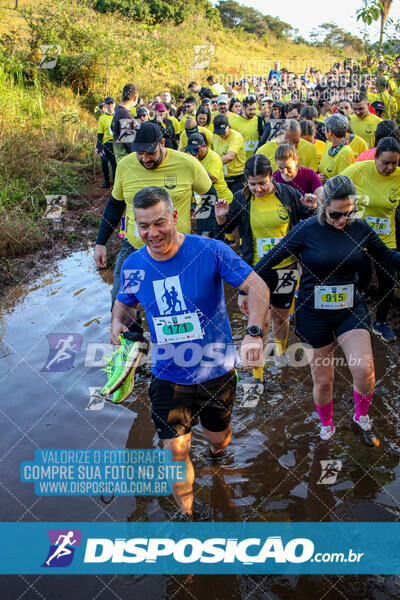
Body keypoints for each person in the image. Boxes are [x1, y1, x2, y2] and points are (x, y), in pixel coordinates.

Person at [113, 186, 269, 516]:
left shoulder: (210, 251)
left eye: (158, 223)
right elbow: (124, 309)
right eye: (143, 226)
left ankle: (217, 456)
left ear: (174, 216)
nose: (152, 233)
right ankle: (188, 515)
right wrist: (119, 328)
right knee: (175, 450)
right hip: (168, 375)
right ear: (135, 226)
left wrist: (254, 333)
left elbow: (257, 287)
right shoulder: (133, 264)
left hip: (216, 370)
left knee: (218, 439)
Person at [254, 175, 400, 445]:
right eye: (335, 214)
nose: (342, 220)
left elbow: (388, 256)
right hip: (313, 313)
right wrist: (244, 288)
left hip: (349, 308)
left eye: (349, 212)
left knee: (365, 368)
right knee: (324, 381)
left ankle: (361, 419)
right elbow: (270, 258)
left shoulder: (360, 228)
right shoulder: (306, 230)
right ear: (322, 204)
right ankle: (327, 426)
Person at [215, 154, 316, 380]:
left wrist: (311, 208)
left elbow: (307, 225)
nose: (257, 188)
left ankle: (280, 354)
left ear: (272, 176)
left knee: (281, 317)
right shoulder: (242, 199)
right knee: (259, 321)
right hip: (255, 271)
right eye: (252, 184)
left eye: (262, 183)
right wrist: (221, 219)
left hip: (286, 268)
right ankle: (258, 375)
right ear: (246, 182)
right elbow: (225, 232)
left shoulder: (289, 194)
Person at [94, 123, 217, 306]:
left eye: (150, 153)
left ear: (162, 143)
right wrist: (100, 242)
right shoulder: (125, 165)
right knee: (120, 303)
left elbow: (209, 195)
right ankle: (130, 334)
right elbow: (115, 205)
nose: (144, 159)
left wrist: (205, 233)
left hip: (176, 251)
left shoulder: (187, 164)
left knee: (181, 303)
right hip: (135, 248)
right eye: (140, 153)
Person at [343, 137, 400, 341]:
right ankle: (350, 319)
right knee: (362, 279)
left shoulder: (398, 177)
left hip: (386, 239)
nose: (390, 167)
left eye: (394, 163)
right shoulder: (359, 170)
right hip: (360, 238)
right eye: (385, 162)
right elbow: (336, 187)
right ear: (376, 158)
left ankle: (380, 323)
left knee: (387, 281)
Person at [185, 132, 233, 236]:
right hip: (203, 202)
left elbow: (213, 179)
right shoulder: (193, 157)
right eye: (191, 150)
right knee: (202, 233)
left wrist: (196, 164)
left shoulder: (213, 158)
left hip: (218, 201)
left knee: (214, 234)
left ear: (204, 146)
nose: (194, 153)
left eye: (196, 150)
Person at [212, 114, 246, 194]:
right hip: (222, 177)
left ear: (229, 126)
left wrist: (213, 163)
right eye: (218, 133)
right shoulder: (215, 136)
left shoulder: (236, 137)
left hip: (237, 177)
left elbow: (230, 156)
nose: (221, 135)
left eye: (223, 132)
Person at [319, 114, 355, 184]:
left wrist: (326, 181)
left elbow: (344, 182)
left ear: (330, 132)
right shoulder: (328, 144)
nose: (324, 132)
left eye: (325, 130)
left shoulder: (346, 153)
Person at [111, 83, 140, 163]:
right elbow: (129, 144)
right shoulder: (125, 115)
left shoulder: (118, 111)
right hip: (127, 161)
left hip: (120, 160)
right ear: (135, 98)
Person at [229, 95, 262, 160]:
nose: (252, 112)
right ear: (243, 108)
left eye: (254, 109)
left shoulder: (258, 120)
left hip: (256, 159)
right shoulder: (234, 124)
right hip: (242, 161)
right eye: (250, 109)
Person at [96, 96, 117, 189]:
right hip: (106, 143)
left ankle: (115, 185)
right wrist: (99, 147)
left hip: (116, 144)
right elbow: (100, 134)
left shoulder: (118, 116)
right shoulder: (102, 118)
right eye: (108, 104)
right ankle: (106, 182)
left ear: (114, 104)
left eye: (111, 104)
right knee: (104, 161)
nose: (110, 106)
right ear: (105, 106)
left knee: (114, 165)